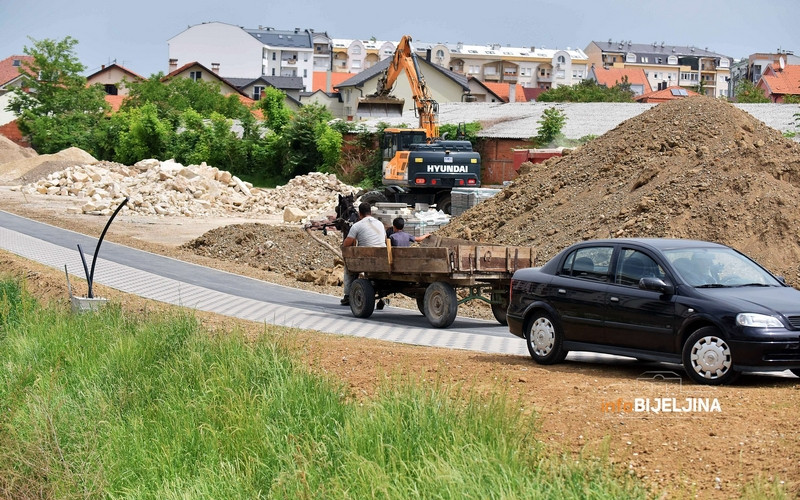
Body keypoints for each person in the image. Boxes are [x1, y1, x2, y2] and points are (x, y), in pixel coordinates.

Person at [340, 202, 386, 305]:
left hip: (366, 258)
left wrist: (343, 246)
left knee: (348, 267)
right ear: (371, 212)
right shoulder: (380, 223)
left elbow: (347, 243)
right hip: (383, 258)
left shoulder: (357, 225)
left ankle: (347, 295)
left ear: (360, 214)